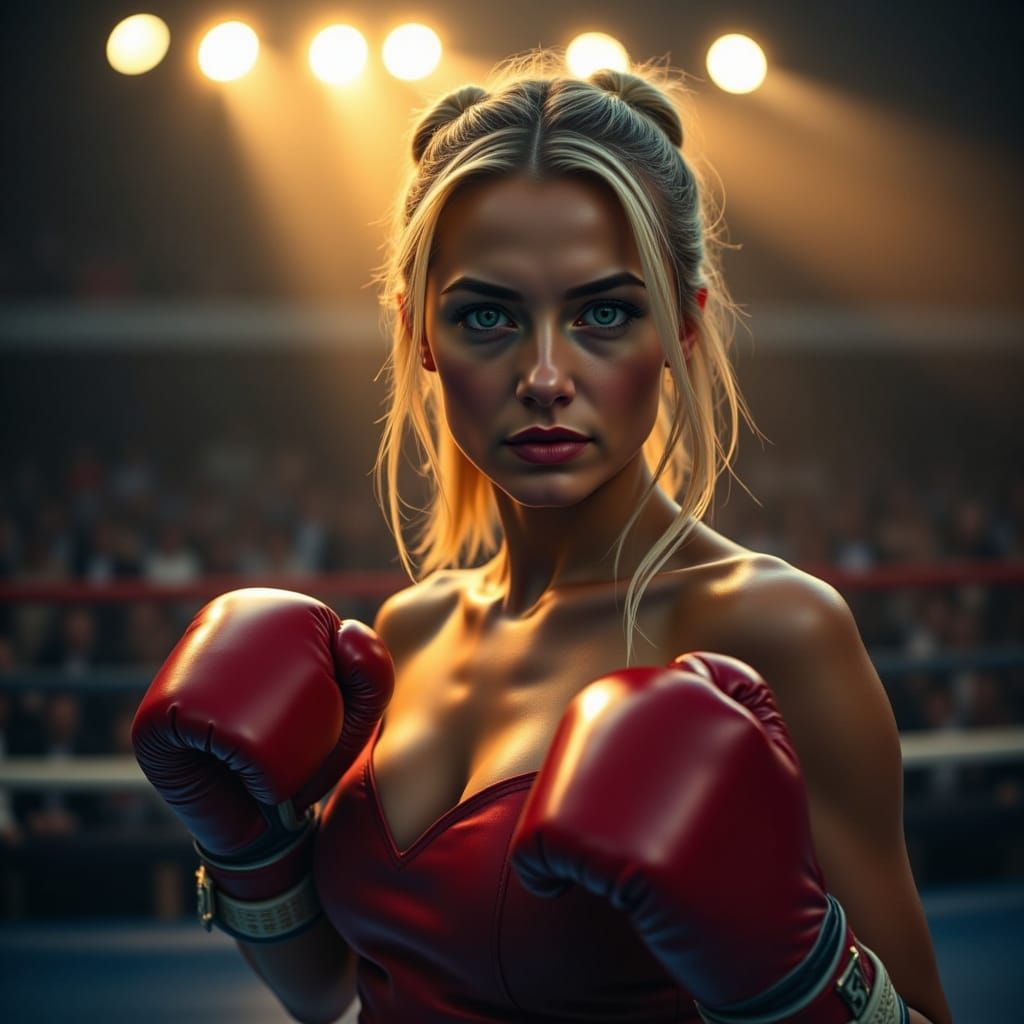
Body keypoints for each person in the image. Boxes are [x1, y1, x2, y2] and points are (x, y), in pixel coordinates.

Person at [132, 51, 952, 1024]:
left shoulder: (772, 629)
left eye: (604, 312)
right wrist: (248, 846)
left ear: (682, 330)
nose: (546, 375)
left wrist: (787, 967)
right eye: (489, 315)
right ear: (420, 331)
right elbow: (328, 988)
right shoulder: (408, 630)